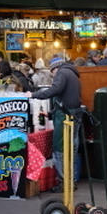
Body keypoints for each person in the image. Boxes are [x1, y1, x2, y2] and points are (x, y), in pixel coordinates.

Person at [31, 55, 81, 188]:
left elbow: (55, 90)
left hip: (64, 115)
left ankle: (64, 182)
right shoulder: (72, 72)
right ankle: (72, 179)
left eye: (52, 71)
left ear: (55, 68)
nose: (53, 75)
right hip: (74, 113)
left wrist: (34, 95)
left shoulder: (62, 73)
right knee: (72, 147)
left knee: (60, 147)